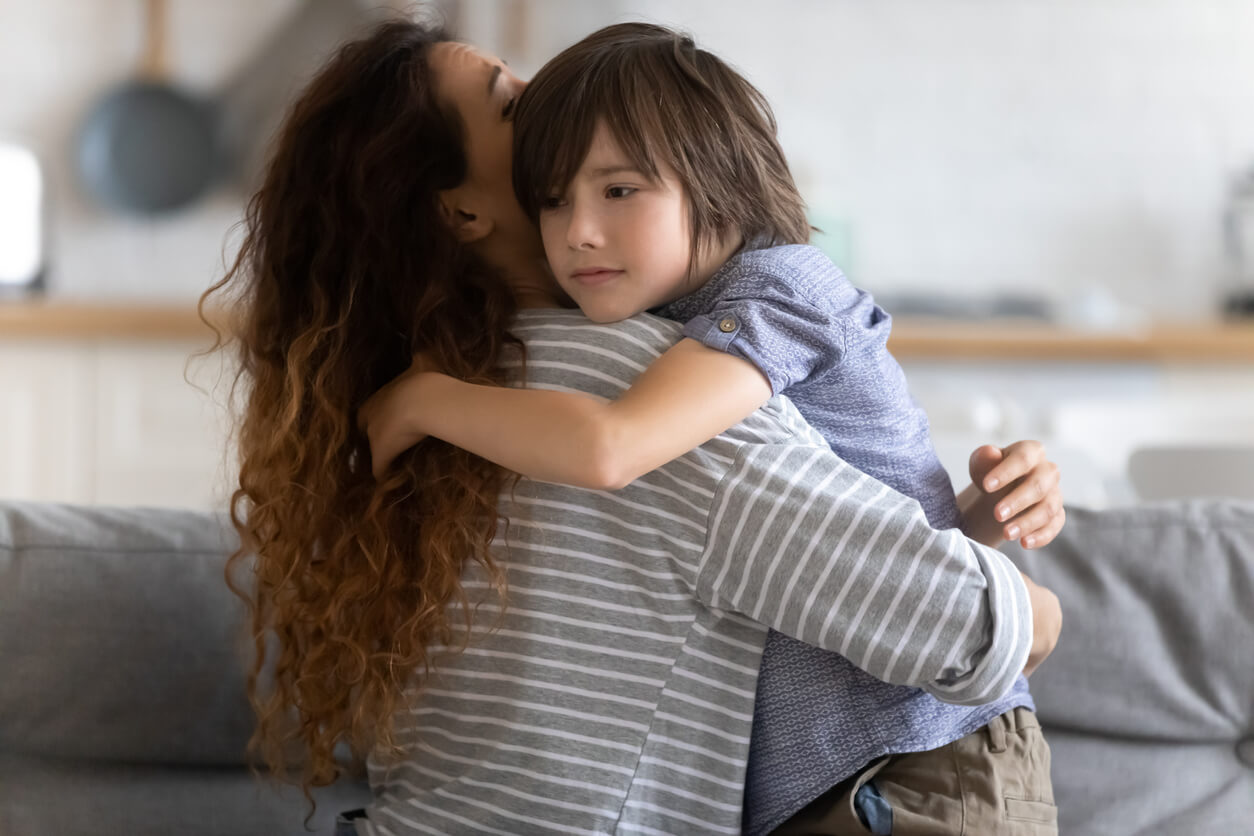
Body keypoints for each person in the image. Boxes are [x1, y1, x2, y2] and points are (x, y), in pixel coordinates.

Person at [202, 18, 1063, 836]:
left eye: (620, 186)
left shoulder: (450, 412)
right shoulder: (622, 381)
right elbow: (980, 621)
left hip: (902, 769)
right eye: (510, 101)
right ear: (465, 213)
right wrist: (1019, 591)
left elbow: (616, 445)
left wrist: (419, 398)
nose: (545, 93)